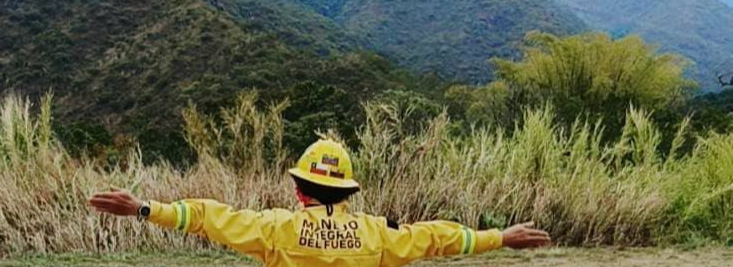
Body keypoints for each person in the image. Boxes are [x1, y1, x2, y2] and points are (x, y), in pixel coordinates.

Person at [89, 139, 551, 267]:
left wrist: (144, 208)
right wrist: (500, 237)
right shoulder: (376, 236)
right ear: (349, 192)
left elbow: (207, 217)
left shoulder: (275, 230)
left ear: (298, 190)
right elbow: (436, 238)